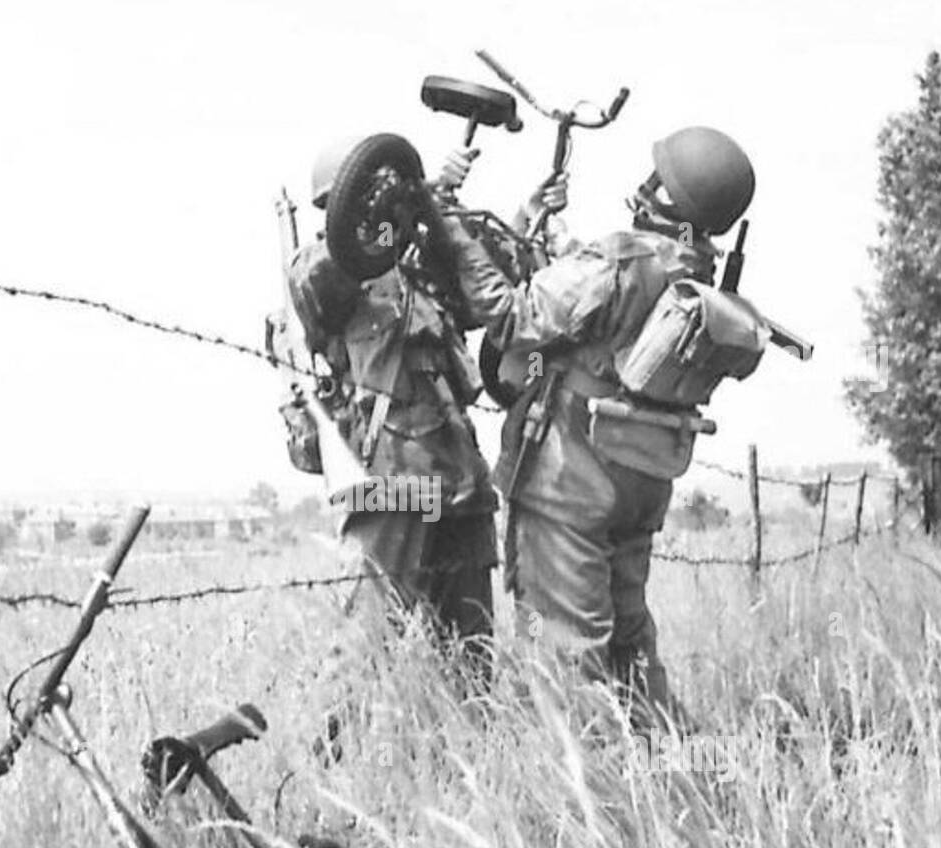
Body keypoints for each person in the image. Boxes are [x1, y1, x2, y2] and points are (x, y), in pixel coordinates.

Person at [436, 128, 758, 726]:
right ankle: (674, 773)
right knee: (630, 646)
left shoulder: (622, 258)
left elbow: (516, 319)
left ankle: (594, 799)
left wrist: (452, 230)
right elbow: (586, 305)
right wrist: (540, 222)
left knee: (569, 657)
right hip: (638, 487)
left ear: (666, 194)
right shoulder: (691, 271)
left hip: (570, 485)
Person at [287, 138, 500, 753]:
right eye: (375, 193)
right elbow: (329, 281)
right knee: (375, 627)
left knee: (470, 636)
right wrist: (391, 206)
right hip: (396, 480)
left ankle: (471, 753)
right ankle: (331, 758)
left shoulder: (414, 274)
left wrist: (437, 209)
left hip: (455, 481)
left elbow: (484, 294)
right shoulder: (321, 265)